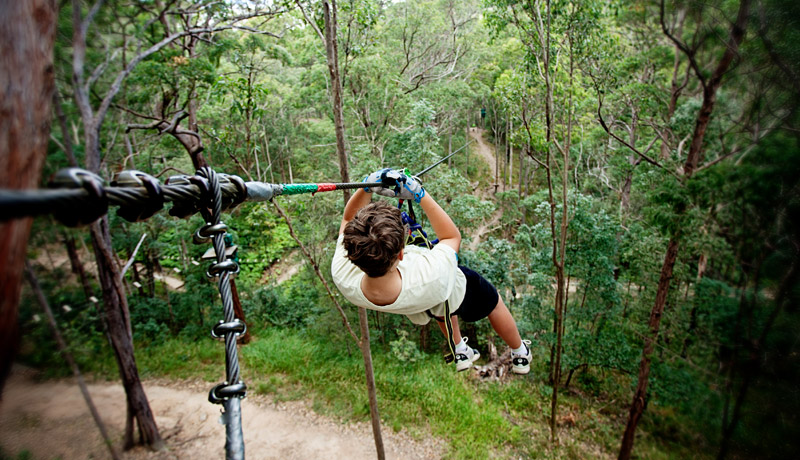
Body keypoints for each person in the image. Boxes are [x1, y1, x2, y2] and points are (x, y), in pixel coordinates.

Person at [331, 168, 532, 373]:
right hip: (446, 290)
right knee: (492, 300)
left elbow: (348, 220)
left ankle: (459, 348)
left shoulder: (343, 274)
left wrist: (366, 186)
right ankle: (520, 351)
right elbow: (452, 237)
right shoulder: (431, 273)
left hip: (419, 303)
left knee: (438, 306)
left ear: (352, 252)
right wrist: (419, 194)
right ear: (401, 254)